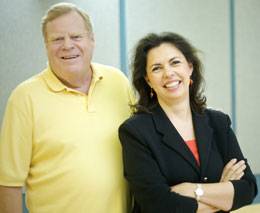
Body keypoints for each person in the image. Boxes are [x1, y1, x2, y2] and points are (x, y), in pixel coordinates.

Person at [0, 3, 134, 213]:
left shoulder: (118, 82)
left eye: (76, 36)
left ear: (92, 40)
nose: (67, 45)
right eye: (57, 39)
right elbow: (8, 184)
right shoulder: (24, 98)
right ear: (46, 45)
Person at [118, 32, 258, 213]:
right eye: (156, 68)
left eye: (175, 62)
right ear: (148, 80)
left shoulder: (218, 122)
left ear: (190, 67)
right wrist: (221, 193)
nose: (168, 73)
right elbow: (157, 204)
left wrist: (192, 190)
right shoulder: (135, 131)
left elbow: (247, 189)